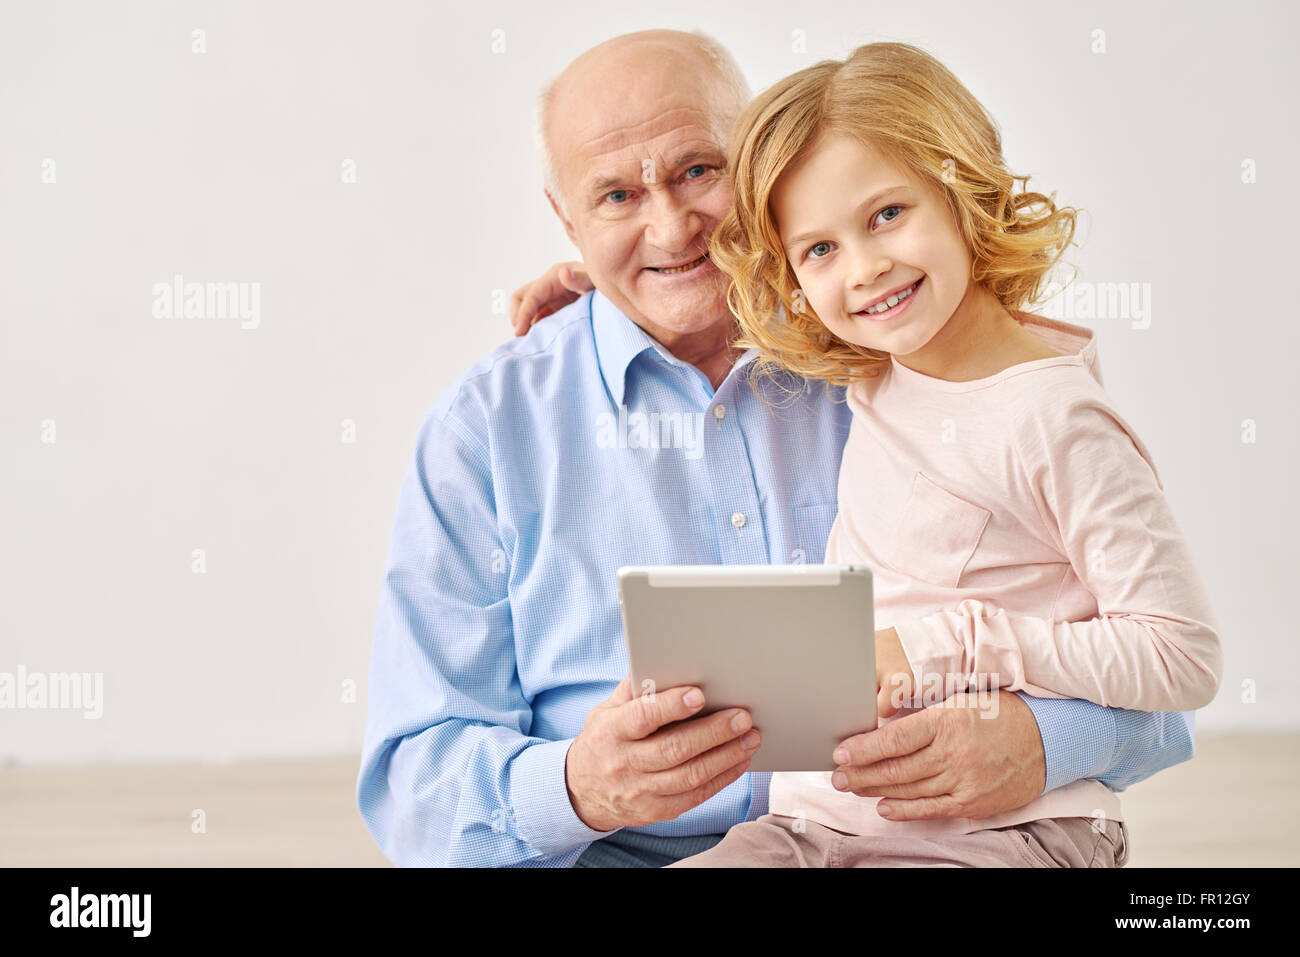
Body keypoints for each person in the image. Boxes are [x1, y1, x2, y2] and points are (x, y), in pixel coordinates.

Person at [357, 28, 1196, 868]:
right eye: (615, 196)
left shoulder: (892, 356)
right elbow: (411, 793)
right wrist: (579, 785)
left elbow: (1159, 681)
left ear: (764, 169)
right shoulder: (488, 428)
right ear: (565, 218)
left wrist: (1048, 740)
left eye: (698, 170)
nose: (671, 226)